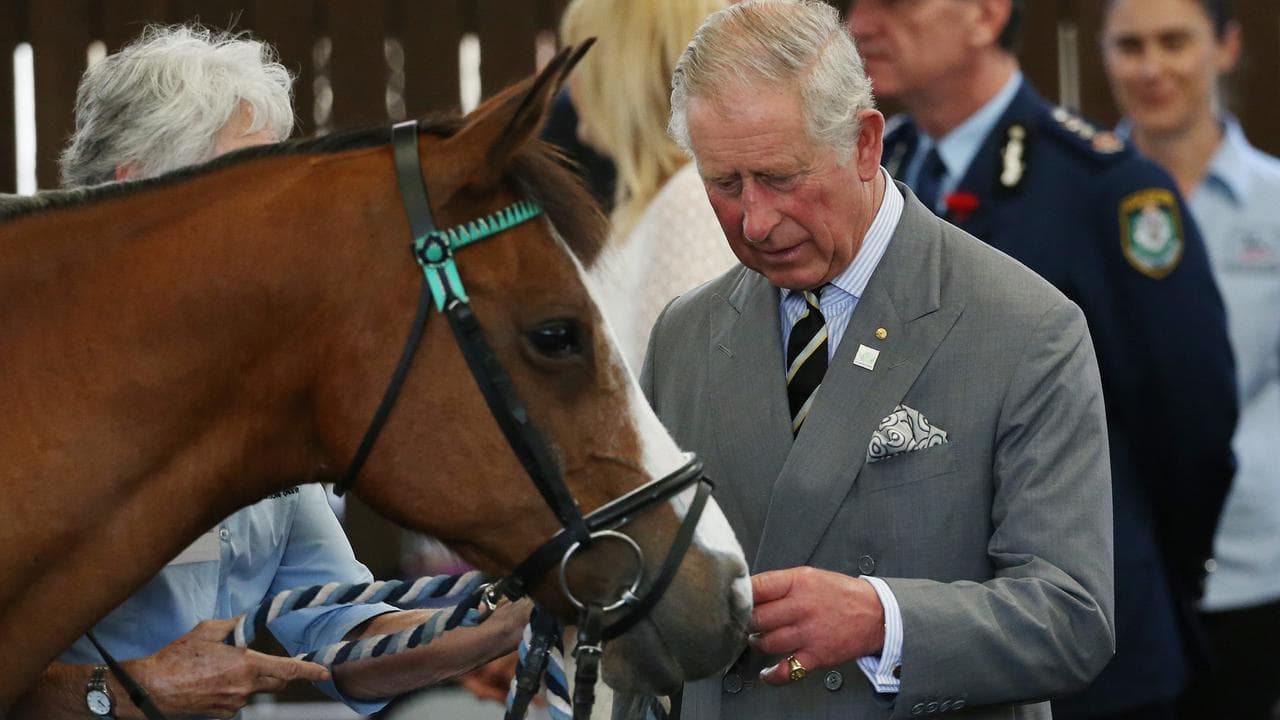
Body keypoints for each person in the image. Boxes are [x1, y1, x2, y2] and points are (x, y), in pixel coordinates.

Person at [10, 25, 525, 720]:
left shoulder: (253, 392)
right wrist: (136, 694)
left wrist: (500, 628)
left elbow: (339, 630)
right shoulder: (24, 390)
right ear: (138, 191)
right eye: (247, 188)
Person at [642, 1, 1114, 717]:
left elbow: (1074, 619)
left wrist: (882, 619)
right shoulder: (684, 333)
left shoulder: (1025, 328)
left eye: (780, 176)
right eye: (725, 184)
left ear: (865, 143)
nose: (757, 221)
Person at [847, 1, 1238, 717]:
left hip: (1090, 650)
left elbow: (1191, 420)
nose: (861, 24)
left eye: (893, 4)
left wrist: (1144, 563)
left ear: (985, 14)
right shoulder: (878, 173)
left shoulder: (1101, 185)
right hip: (927, 646)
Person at [1101, 1, 1280, 717]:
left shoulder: (1274, 203)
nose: (1152, 68)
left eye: (1175, 42)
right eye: (1130, 46)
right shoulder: (1077, 197)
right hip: (1114, 561)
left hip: (1254, 556)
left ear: (1227, 46)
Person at [560, 0, 737, 368]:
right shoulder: (653, 203)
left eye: (578, 58)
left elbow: (692, 393)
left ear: (620, 72)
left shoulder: (690, 204)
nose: (569, 82)